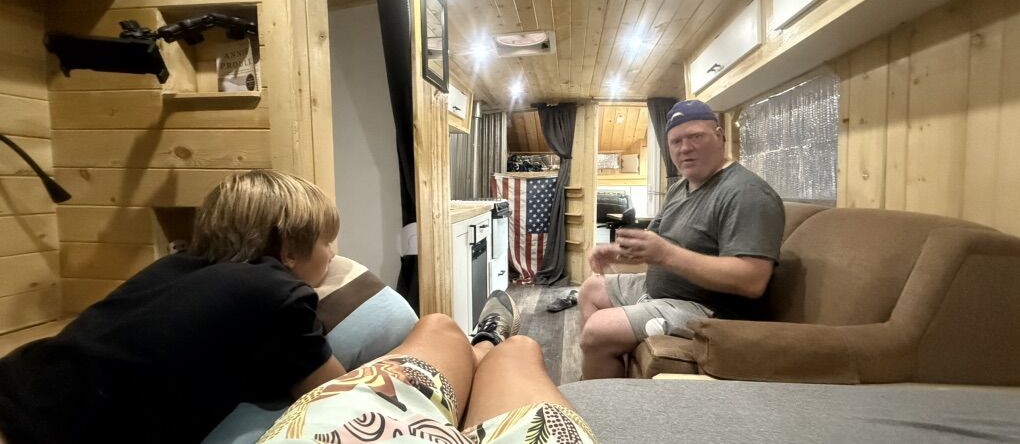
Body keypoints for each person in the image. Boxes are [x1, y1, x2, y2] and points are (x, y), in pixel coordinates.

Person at [0, 170, 347, 443]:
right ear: (289, 249)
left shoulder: (173, 267)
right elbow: (337, 397)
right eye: (327, 241)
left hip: (20, 382)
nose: (333, 255)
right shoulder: (277, 292)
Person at [578, 99, 785, 380]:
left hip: (708, 310)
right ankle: (608, 369)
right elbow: (654, 238)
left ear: (720, 136)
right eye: (675, 141)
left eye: (695, 137)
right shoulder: (680, 188)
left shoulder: (746, 193)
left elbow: (753, 279)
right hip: (664, 293)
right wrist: (617, 251)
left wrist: (666, 254)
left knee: (598, 330)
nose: (684, 148)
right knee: (590, 289)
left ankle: (604, 391)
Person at [259, 289, 596, 443]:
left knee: (436, 324)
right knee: (520, 349)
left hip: (334, 430)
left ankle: (481, 347)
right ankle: (487, 344)